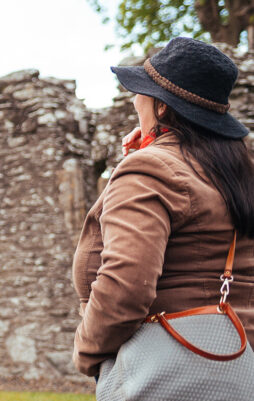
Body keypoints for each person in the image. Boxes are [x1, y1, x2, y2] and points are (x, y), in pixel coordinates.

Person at [73, 37, 254, 377]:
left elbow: (125, 289)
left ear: (160, 107)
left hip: (175, 371)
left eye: (141, 91)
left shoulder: (151, 170)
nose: (134, 101)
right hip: (242, 368)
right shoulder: (239, 173)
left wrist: (88, 355)